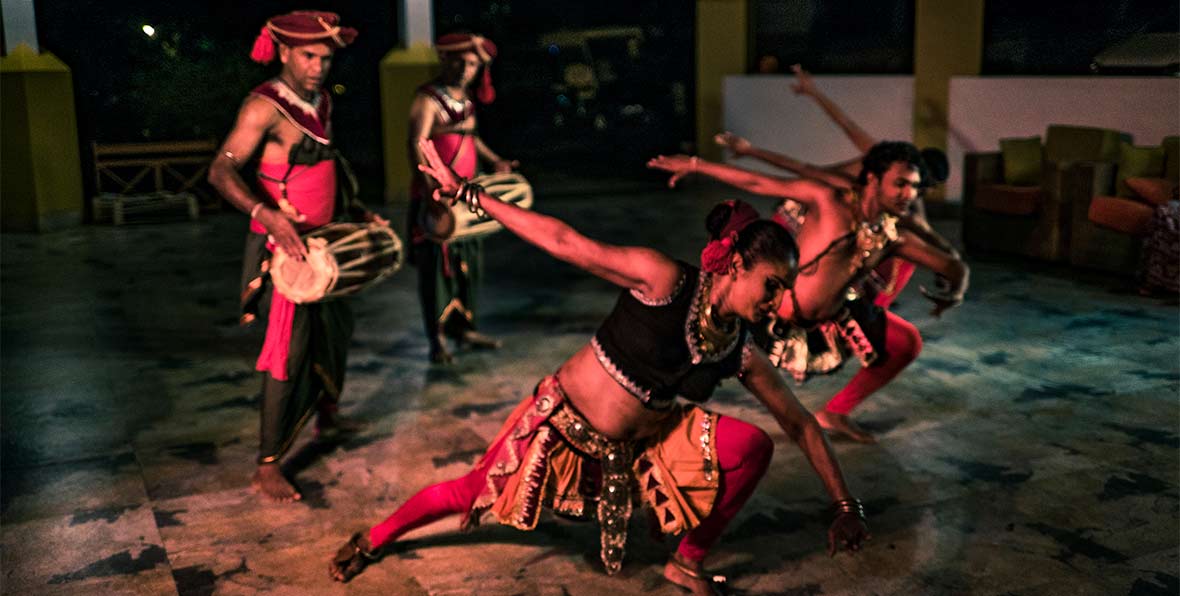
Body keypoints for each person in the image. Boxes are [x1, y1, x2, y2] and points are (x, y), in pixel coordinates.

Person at [329, 139, 870, 594]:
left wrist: (845, 504)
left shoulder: (737, 348)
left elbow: (800, 423)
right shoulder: (662, 280)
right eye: (771, 285)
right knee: (470, 493)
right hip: (561, 425)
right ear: (735, 264)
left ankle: (687, 561)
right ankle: (373, 537)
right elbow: (565, 242)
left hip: (642, 446)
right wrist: (469, 193)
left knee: (756, 445)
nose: (777, 302)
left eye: (783, 290)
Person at [649, 141, 969, 443]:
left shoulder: (893, 236)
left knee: (906, 343)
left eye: (915, 187)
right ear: (873, 178)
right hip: (771, 310)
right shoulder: (829, 200)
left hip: (830, 319)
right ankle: (644, 406)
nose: (909, 194)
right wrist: (696, 165)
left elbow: (954, 266)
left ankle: (835, 413)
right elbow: (760, 182)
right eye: (901, 184)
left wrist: (954, 291)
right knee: (697, 367)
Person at [207, 10, 384, 502]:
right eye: (308, 55)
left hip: (326, 246)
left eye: (326, 58)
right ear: (283, 50)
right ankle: (267, 465)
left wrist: (359, 212)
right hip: (285, 251)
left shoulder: (322, 102)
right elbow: (220, 173)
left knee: (336, 335)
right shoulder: (263, 107)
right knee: (289, 353)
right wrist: (268, 214)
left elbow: (329, 164)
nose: (318, 66)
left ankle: (326, 419)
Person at [714, 64, 957, 309]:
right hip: (806, 212)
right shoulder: (877, 165)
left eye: (918, 188)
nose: (912, 192)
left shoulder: (908, 202)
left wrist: (949, 266)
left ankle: (857, 309)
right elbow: (821, 153)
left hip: (826, 231)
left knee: (896, 248)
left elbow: (926, 234)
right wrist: (751, 150)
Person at [407, 33, 518, 363]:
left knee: (467, 267)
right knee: (436, 270)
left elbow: (473, 139)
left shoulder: (466, 100)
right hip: (437, 197)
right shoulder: (427, 99)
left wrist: (496, 160)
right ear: (445, 60)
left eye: (472, 64)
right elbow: (417, 143)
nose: (465, 69)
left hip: (465, 196)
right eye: (459, 61)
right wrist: (429, 191)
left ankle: (464, 328)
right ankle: (436, 340)